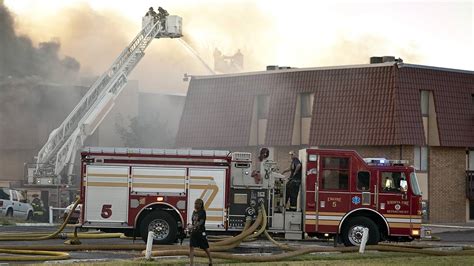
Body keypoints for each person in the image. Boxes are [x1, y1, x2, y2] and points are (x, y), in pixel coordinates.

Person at [189, 198, 212, 266]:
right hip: (194, 232)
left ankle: (210, 261)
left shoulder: (202, 212)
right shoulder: (194, 212)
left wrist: (193, 226)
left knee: (205, 248)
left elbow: (201, 222)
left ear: (200, 205)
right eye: (195, 203)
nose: (195, 205)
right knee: (191, 247)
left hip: (201, 232)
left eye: (197, 204)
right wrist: (190, 227)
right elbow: (193, 222)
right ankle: (191, 264)